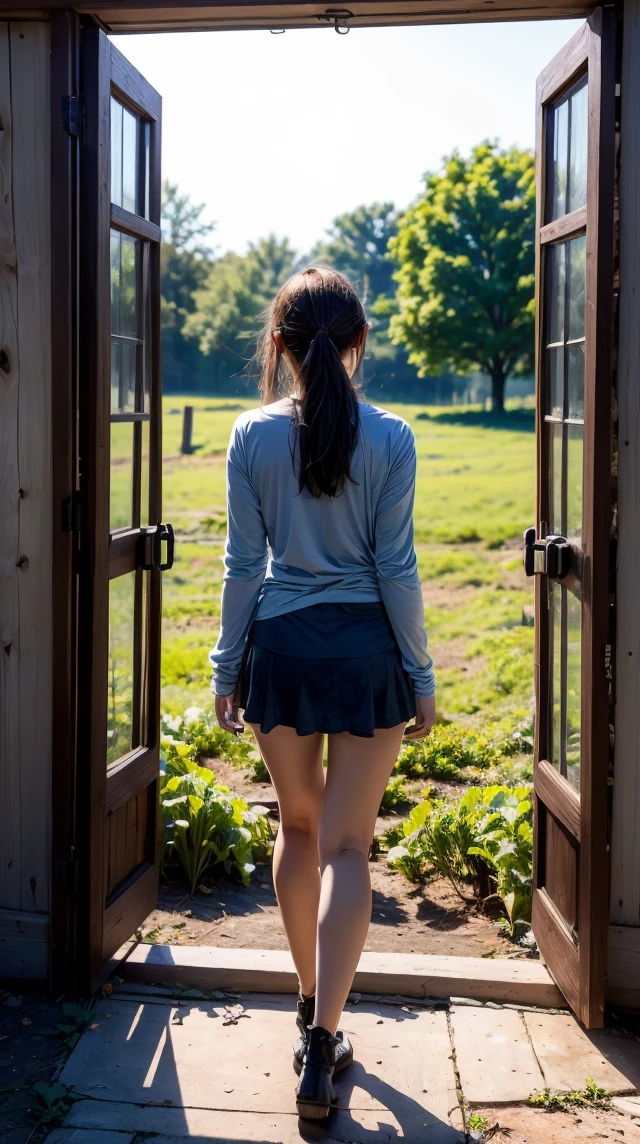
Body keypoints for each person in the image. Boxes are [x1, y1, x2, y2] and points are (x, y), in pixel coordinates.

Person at [209, 266, 436, 1121]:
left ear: (280, 347)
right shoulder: (395, 435)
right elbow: (396, 568)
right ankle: (325, 1038)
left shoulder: (249, 434)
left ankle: (309, 1014)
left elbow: (242, 567)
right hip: (367, 655)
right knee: (349, 849)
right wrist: (421, 676)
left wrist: (226, 668)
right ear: (357, 344)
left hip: (284, 653)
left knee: (297, 830)